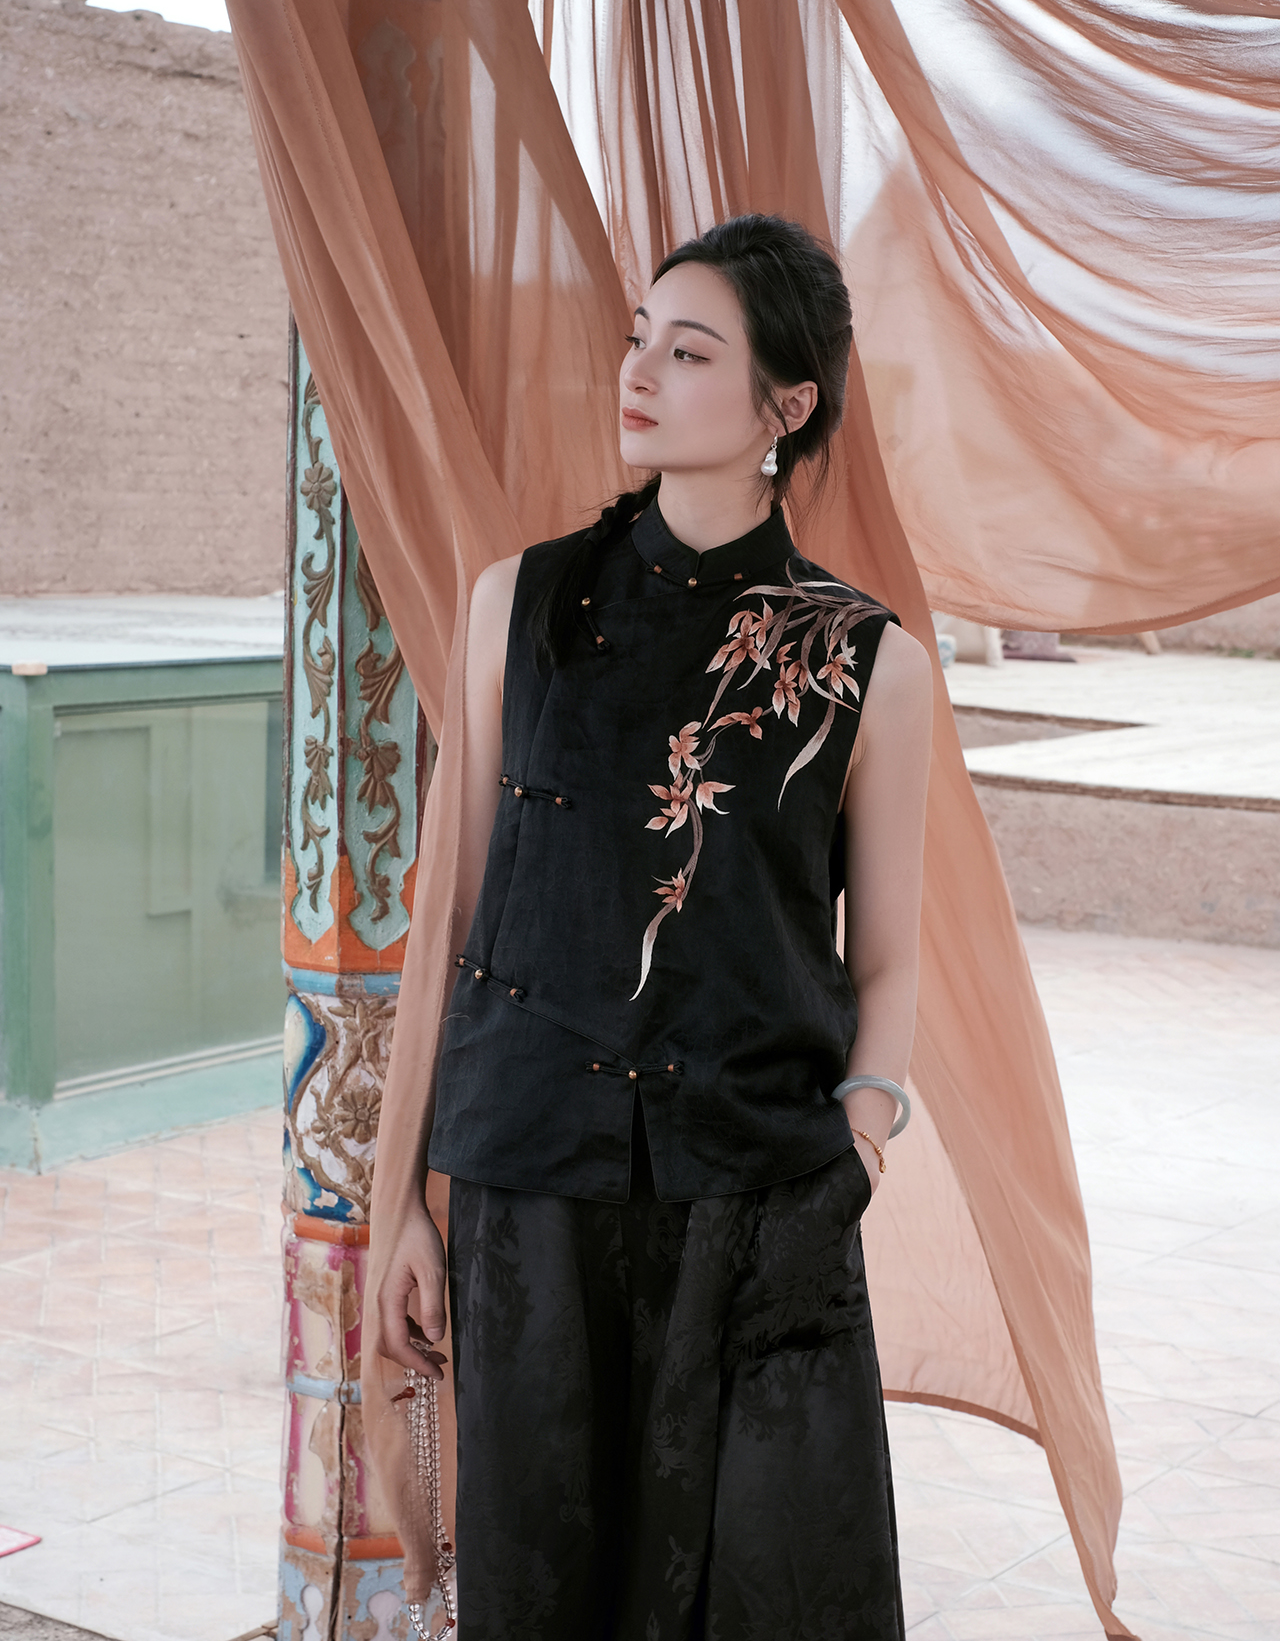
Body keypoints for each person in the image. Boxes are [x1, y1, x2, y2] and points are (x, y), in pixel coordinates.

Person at [377, 212, 933, 1641]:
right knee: (543, 1596)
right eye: (640, 339)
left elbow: (887, 958)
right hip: (530, 1188)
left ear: (785, 407)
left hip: (762, 1201)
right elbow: (455, 924)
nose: (639, 371)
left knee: (771, 1596)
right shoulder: (518, 607)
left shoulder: (868, 662)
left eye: (690, 353)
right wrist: (403, 1208)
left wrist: (861, 1139)